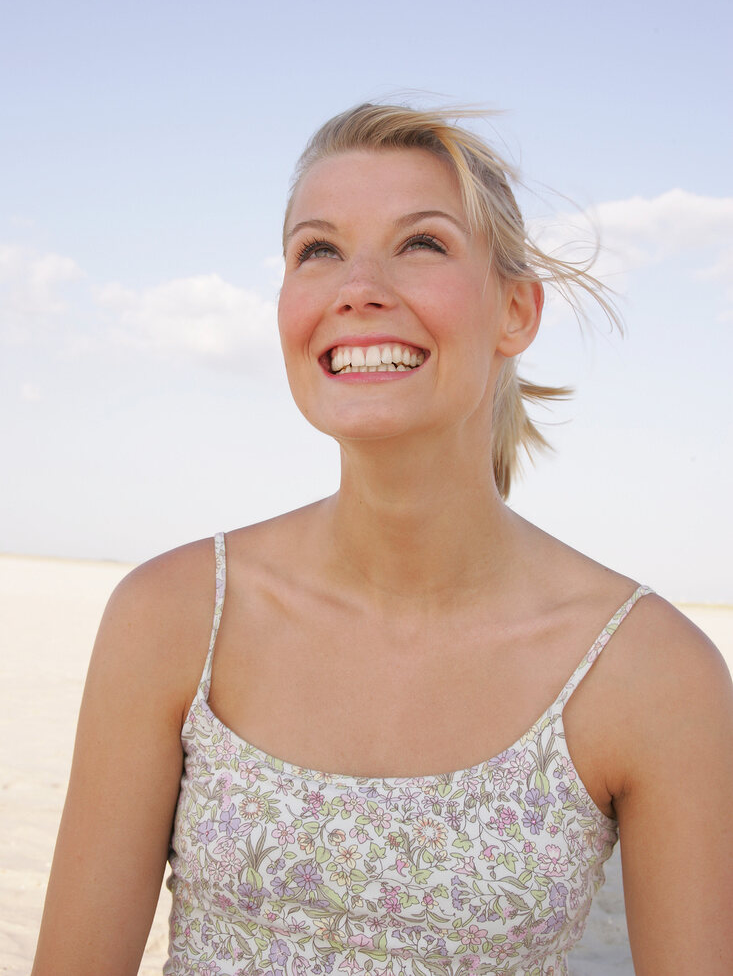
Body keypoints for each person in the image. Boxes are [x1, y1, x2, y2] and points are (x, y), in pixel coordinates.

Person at [32, 104, 733, 976]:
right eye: (317, 250)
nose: (355, 286)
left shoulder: (651, 672)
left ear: (515, 310)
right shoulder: (172, 618)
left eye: (422, 243)